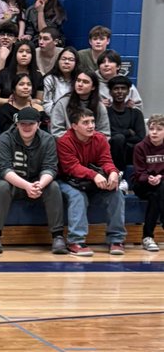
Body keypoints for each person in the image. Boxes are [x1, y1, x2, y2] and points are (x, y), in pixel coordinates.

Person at [0, 107, 66, 254]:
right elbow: (4, 169)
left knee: (53, 186)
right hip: (9, 181)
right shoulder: (5, 138)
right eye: (23, 123)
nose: (26, 127)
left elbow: (50, 168)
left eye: (31, 123)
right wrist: (27, 186)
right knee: (2, 186)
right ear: (17, 124)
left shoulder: (47, 139)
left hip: (36, 182)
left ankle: (58, 237)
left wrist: (38, 185)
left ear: (38, 124)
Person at [56, 110, 125, 257]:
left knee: (116, 193)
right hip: (67, 180)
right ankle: (76, 241)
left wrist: (113, 172)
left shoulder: (100, 139)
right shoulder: (64, 141)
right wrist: (94, 175)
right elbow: (71, 167)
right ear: (74, 126)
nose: (91, 126)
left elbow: (106, 161)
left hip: (91, 182)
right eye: (85, 122)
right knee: (78, 196)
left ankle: (116, 239)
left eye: (92, 122)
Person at [132, 114, 164, 251]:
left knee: (157, 194)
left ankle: (147, 236)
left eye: (159, 129)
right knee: (158, 191)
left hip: (161, 185)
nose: (154, 132)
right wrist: (149, 179)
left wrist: (160, 177)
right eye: (151, 129)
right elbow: (139, 173)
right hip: (142, 184)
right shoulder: (140, 147)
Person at [49, 70, 111, 138]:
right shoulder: (62, 103)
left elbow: (105, 133)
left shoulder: (99, 106)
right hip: (68, 145)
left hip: (92, 145)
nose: (80, 84)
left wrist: (89, 143)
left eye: (85, 82)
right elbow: (56, 131)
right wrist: (77, 141)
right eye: (78, 80)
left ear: (93, 87)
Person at [105, 76, 146, 173]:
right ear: (110, 92)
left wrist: (119, 136)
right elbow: (106, 135)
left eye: (123, 88)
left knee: (120, 139)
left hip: (130, 152)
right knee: (118, 139)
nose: (120, 91)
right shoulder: (105, 112)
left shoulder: (136, 113)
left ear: (128, 92)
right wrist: (128, 132)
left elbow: (140, 137)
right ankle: (118, 174)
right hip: (110, 150)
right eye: (116, 89)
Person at [43, 46, 78, 115]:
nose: (66, 62)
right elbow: (47, 104)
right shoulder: (50, 79)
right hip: (55, 116)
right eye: (63, 59)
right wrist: (58, 117)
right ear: (58, 61)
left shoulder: (79, 79)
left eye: (71, 59)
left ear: (76, 62)